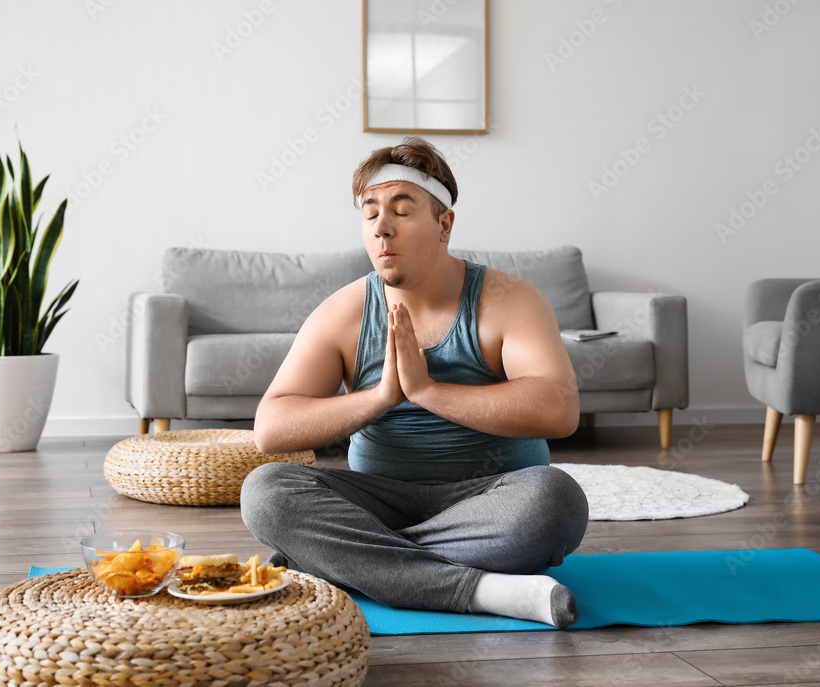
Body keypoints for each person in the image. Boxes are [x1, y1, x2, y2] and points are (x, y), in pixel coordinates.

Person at [240, 137, 589, 628]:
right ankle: (481, 590)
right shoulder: (343, 312)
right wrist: (382, 397)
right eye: (370, 214)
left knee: (556, 501)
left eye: (402, 211)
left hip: (489, 502)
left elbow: (558, 409)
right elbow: (271, 429)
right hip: (378, 504)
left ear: (444, 223)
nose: (382, 228)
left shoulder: (509, 298)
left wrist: (428, 391)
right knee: (265, 490)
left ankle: (347, 562)